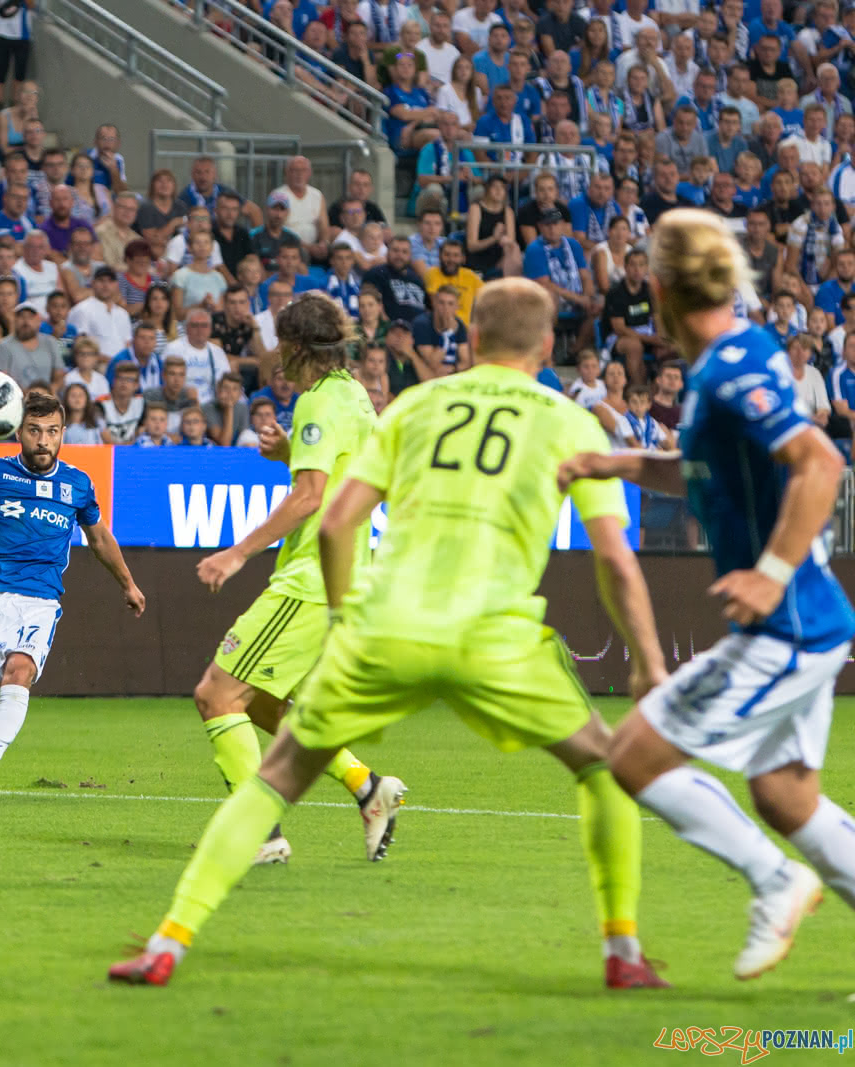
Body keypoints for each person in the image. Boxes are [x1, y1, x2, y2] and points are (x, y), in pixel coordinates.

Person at [110, 278, 669, 990]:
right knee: (601, 765)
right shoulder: (567, 420)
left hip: (388, 617)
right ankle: (622, 950)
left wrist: (344, 623)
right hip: (493, 631)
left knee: (268, 759)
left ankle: (168, 942)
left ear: (469, 340)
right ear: (550, 344)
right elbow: (616, 560)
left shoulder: (418, 404)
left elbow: (335, 514)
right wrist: (648, 660)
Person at [559, 210, 855, 981]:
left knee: (632, 754)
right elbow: (701, 473)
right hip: (809, 623)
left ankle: (776, 879)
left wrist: (770, 573)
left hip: (786, 626)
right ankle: (785, 865)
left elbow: (819, 463)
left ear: (655, 290)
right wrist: (615, 463)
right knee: (788, 797)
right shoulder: (731, 359)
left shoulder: (728, 369)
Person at [189, 293, 405, 865]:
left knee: (216, 696)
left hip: (309, 580)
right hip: (344, 574)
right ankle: (366, 787)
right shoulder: (355, 395)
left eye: (279, 344)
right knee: (260, 704)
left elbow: (309, 497)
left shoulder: (316, 403)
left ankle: (259, 835)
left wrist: (235, 554)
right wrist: (291, 452)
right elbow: (355, 474)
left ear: (294, 347)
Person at [0, 391, 146, 797]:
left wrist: (128, 583)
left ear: (63, 433)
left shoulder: (77, 484)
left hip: (36, 599)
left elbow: (99, 539)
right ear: (17, 431)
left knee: (18, 674)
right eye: (35, 430)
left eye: (53, 431)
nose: (44, 440)